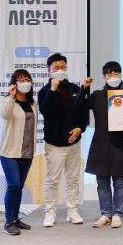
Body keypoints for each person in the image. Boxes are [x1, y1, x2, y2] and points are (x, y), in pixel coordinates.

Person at [75, 61, 123, 229]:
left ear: (120, 75)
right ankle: (106, 213)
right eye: (109, 74)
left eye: (116, 73)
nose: (113, 77)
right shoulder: (97, 96)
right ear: (104, 77)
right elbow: (78, 106)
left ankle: (118, 214)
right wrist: (83, 89)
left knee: (119, 182)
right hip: (100, 144)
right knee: (102, 182)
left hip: (120, 144)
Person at [38, 53, 88, 227]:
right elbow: (45, 111)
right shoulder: (44, 91)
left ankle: (72, 210)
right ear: (49, 70)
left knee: (73, 178)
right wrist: (52, 90)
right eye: (56, 68)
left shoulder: (74, 89)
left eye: (63, 67)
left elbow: (83, 112)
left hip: (74, 142)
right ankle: (50, 212)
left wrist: (80, 128)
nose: (60, 70)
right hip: (54, 144)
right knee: (52, 180)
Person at [0, 69, 38, 235]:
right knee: (13, 185)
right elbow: (4, 115)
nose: (25, 82)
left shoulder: (32, 104)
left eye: (27, 79)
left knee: (19, 186)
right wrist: (12, 96)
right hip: (10, 152)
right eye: (20, 79)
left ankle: (15, 219)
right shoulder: (8, 101)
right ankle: (9, 222)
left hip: (27, 152)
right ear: (14, 83)